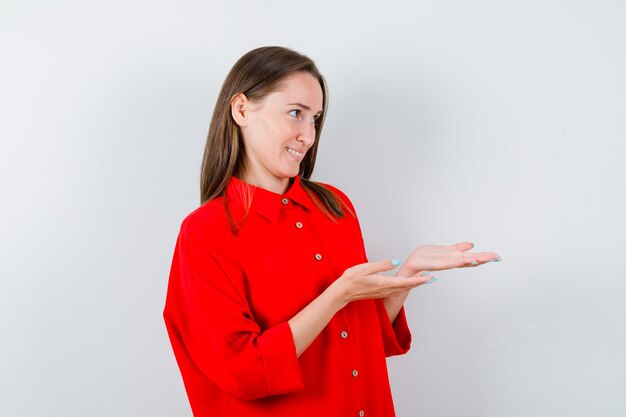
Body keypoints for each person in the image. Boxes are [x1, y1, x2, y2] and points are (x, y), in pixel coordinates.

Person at [163, 46, 500, 417]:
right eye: (295, 114)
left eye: (315, 119)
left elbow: (357, 339)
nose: (307, 136)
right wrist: (336, 296)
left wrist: (407, 274)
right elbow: (241, 372)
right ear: (241, 109)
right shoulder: (206, 232)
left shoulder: (335, 206)